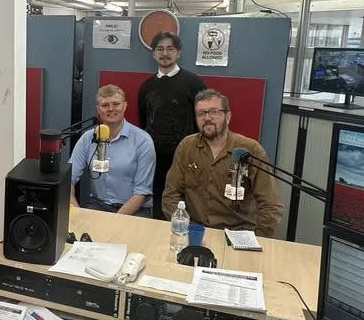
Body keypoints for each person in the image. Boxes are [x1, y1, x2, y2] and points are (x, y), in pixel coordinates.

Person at [162, 89, 283, 237]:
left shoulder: (250, 150)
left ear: (228, 117)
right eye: (201, 113)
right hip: (194, 230)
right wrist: (183, 227)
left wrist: (256, 239)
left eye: (214, 112)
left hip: (238, 233)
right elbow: (170, 195)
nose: (207, 118)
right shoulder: (187, 146)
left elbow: (271, 205)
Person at [138, 31, 206, 219]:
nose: (165, 53)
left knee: (189, 203)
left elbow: (203, 120)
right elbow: (144, 121)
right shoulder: (146, 86)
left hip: (186, 156)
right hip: (155, 157)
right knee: (159, 202)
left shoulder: (194, 83)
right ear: (154, 54)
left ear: (179, 53)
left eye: (170, 49)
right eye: (160, 49)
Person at [69, 85, 156, 217]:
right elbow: (68, 180)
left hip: (135, 210)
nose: (111, 109)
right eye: (105, 105)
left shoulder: (143, 141)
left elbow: (142, 193)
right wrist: (77, 213)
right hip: (99, 205)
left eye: (116, 104)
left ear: (125, 106)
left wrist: (113, 222)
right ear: (98, 109)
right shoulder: (87, 139)